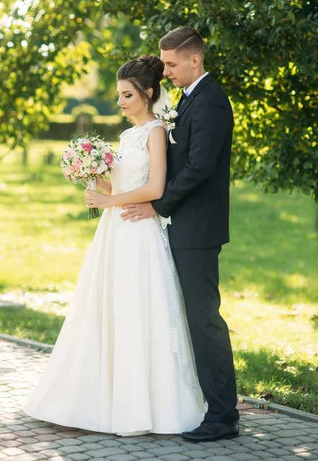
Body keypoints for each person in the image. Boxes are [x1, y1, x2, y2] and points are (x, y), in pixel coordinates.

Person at [24, 54, 206, 436]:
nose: (120, 102)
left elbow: (155, 187)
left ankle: (144, 406)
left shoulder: (156, 131)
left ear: (147, 93)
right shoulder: (125, 136)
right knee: (107, 307)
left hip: (139, 233)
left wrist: (109, 200)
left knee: (138, 309)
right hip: (114, 232)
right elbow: (123, 186)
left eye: (127, 95)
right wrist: (91, 174)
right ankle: (98, 401)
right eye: (119, 94)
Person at [121, 27, 240, 442]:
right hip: (183, 227)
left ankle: (223, 417)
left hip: (198, 229)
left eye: (171, 64)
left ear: (194, 59)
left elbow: (200, 168)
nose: (166, 71)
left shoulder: (210, 102)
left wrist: (157, 204)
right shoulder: (188, 101)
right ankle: (210, 405)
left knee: (204, 320)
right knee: (193, 319)